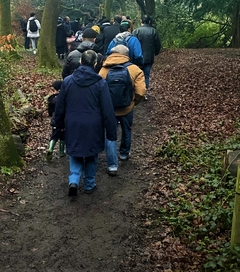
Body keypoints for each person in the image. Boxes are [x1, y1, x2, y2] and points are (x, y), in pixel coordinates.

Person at [54, 50, 118, 196]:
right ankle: (89, 184)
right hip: (93, 125)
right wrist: (111, 132)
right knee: (91, 154)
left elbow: (60, 106)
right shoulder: (100, 84)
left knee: (75, 152)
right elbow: (107, 109)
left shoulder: (68, 81)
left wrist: (58, 124)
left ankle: (74, 180)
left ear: (81, 62)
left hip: (73, 123)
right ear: (95, 64)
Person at [99, 45, 146, 174]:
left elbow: (98, 90)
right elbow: (141, 91)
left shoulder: (103, 70)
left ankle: (112, 164)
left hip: (109, 110)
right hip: (127, 108)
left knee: (110, 134)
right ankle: (124, 154)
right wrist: (134, 102)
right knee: (127, 129)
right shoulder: (134, 69)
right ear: (127, 55)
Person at [132, 15, 161, 93]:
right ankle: (145, 92)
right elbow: (157, 44)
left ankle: (137, 91)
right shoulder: (153, 31)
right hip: (149, 57)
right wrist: (156, 52)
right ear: (149, 21)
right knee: (146, 75)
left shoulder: (136, 31)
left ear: (141, 21)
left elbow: (132, 44)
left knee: (137, 75)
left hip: (137, 57)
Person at [46, 80, 65, 161]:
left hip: (55, 120)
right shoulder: (64, 97)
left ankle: (50, 148)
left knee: (54, 135)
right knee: (63, 136)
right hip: (63, 120)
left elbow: (50, 112)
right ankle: (61, 152)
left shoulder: (52, 99)